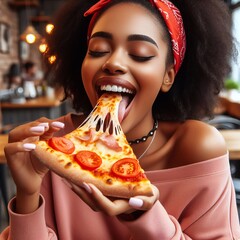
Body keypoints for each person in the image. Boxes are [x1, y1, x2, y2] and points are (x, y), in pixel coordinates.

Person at [1, 0, 240, 239]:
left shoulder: (198, 147)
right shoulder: (56, 146)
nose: (113, 63)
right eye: (97, 50)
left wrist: (146, 218)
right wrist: (27, 194)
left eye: (140, 54)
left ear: (168, 76)